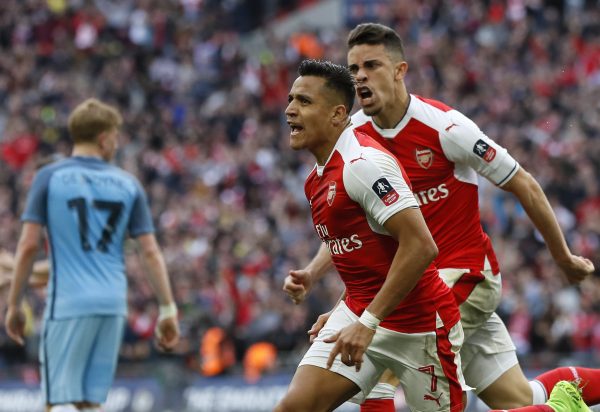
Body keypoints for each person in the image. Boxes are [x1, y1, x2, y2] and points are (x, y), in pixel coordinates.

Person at [283, 22, 599, 411]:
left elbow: (524, 184)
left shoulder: (445, 127)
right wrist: (314, 274)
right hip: (413, 278)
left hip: (466, 274)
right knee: (520, 399)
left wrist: (563, 257)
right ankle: (559, 404)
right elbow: (358, 227)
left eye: (372, 65)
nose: (361, 76)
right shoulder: (352, 137)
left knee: (379, 349)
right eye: (353, 69)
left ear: (400, 70)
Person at [276, 59, 466, 412]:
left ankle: (555, 405)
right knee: (294, 408)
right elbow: (368, 254)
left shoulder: (363, 165)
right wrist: (341, 310)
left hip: (420, 325)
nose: (289, 110)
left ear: (336, 114)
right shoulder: (316, 178)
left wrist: (368, 322)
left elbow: (422, 246)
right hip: (361, 312)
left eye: (304, 102)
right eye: (290, 99)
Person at [4, 98, 180, 412]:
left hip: (69, 304)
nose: (116, 142)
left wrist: (15, 303)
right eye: (115, 135)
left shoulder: (49, 177)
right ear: (103, 137)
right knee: (89, 402)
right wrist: (167, 308)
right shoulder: (129, 183)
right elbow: (150, 251)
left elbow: (29, 246)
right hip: (112, 304)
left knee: (56, 400)